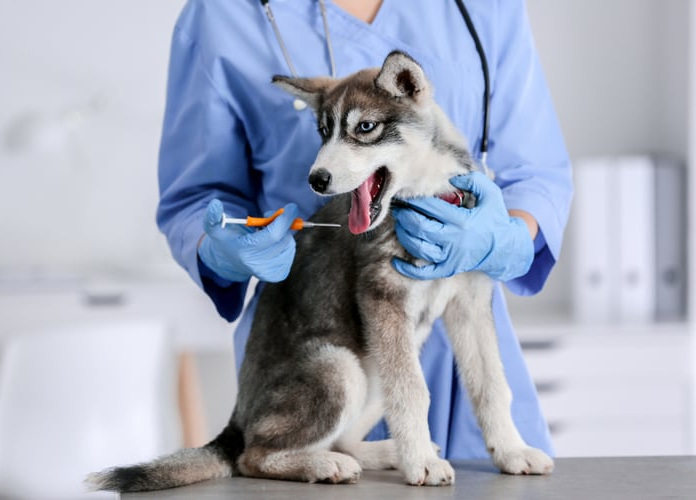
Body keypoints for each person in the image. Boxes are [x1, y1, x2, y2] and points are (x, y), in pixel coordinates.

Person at [156, 0, 572, 460]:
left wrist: (503, 239)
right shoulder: (221, 15)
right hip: (315, 325)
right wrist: (222, 247)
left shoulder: (482, 8)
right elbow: (196, 195)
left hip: (465, 335)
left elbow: (536, 172)